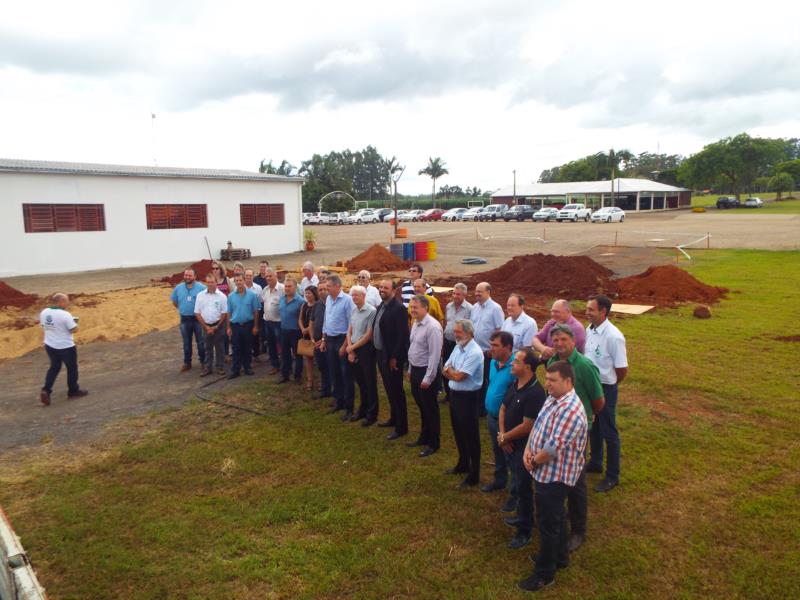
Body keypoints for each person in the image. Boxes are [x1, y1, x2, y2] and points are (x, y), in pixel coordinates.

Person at [519, 361, 588, 593]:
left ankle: (544, 574)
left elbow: (552, 448)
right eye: (546, 379)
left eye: (553, 380)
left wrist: (532, 460)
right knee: (556, 517)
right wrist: (528, 449)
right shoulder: (554, 397)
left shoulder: (570, 409)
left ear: (568, 382)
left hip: (554, 476)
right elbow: (537, 426)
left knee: (547, 524)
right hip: (543, 468)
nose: (547, 384)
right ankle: (560, 558)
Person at [547, 324, 605, 554]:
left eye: (563, 339)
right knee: (561, 472)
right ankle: (564, 513)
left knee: (577, 479)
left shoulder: (584, 366)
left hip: (579, 429)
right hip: (557, 425)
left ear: (573, 340)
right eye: (555, 340)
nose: (559, 344)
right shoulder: (553, 363)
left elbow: (599, 401)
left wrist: (587, 419)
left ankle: (579, 529)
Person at [499, 348, 546, 550]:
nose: (512, 364)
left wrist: (506, 437)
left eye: (516, 361)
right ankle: (521, 516)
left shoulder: (536, 392)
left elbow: (528, 425)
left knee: (525, 489)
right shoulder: (515, 383)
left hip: (523, 449)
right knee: (517, 483)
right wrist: (503, 436)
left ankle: (525, 530)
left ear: (527, 367)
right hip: (509, 444)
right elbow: (503, 408)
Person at [584, 295, 628, 493]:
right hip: (591, 386)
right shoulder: (589, 329)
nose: (587, 312)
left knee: (609, 431)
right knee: (593, 426)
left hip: (606, 388)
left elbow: (621, 370)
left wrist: (609, 385)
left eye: (591, 309)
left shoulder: (614, 336)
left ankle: (612, 475)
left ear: (603, 311)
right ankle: (595, 462)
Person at [442, 319, 484, 486]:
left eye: (458, 332)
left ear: (469, 333)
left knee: (471, 436)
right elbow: (445, 367)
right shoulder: (458, 347)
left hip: (468, 398)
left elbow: (460, 376)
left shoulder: (474, 352)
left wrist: (451, 373)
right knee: (458, 432)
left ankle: (474, 474)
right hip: (455, 396)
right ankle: (463, 464)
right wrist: (453, 373)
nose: (455, 334)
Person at [481, 331, 516, 505]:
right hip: (491, 417)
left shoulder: (516, 367)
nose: (491, 349)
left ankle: (515, 492)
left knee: (512, 455)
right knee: (497, 450)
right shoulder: (494, 362)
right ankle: (500, 480)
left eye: (496, 346)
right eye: (491, 344)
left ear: (508, 347)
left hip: (507, 421)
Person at [407, 295, 443, 457]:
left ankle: (434, 443)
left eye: (415, 307)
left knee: (430, 408)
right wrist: (409, 370)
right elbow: (413, 347)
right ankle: (424, 436)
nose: (412, 310)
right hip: (415, 369)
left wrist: (428, 378)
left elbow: (435, 356)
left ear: (425, 308)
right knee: (422, 406)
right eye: (411, 307)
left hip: (426, 372)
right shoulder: (415, 323)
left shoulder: (433, 327)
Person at [374, 279, 410, 440]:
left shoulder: (399, 309)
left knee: (396, 391)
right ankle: (393, 418)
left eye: (386, 288)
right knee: (389, 389)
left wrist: (394, 357)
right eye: (380, 287)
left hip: (392, 357)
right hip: (382, 354)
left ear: (394, 291)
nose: (382, 290)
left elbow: (402, 336)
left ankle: (401, 427)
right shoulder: (382, 306)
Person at [39, 293, 88, 405]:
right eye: (66, 301)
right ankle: (73, 390)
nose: (68, 303)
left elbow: (44, 326)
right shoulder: (65, 314)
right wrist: (75, 324)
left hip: (50, 344)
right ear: (61, 302)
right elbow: (74, 329)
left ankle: (46, 390)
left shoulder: (44, 312)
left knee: (54, 368)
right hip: (65, 346)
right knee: (72, 368)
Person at [320, 275, 356, 421]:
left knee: (346, 374)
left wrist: (345, 345)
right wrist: (323, 339)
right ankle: (338, 401)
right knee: (334, 372)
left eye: (328, 286)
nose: (326, 288)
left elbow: (351, 324)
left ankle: (349, 407)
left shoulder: (347, 300)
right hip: (330, 339)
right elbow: (326, 321)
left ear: (337, 286)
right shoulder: (329, 299)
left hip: (342, 339)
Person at [346, 285, 379, 426]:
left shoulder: (371, 311)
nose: (354, 298)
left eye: (357, 295)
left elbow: (368, 335)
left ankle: (372, 414)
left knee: (369, 382)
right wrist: (351, 349)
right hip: (354, 349)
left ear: (364, 296)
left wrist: (352, 347)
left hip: (365, 350)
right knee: (360, 381)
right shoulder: (354, 310)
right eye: (352, 295)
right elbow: (349, 330)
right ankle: (362, 410)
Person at [470, 282, 505, 410]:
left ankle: (483, 407)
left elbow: (499, 329)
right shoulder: (474, 307)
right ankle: (476, 403)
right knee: (476, 377)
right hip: (475, 351)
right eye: (476, 291)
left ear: (488, 292)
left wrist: (493, 348)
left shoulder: (496, 308)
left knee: (486, 379)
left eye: (480, 291)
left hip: (488, 352)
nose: (477, 294)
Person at [170, 268, 207, 372]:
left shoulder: (202, 288)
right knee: (186, 342)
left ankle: (204, 362)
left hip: (198, 319)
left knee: (200, 341)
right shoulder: (178, 288)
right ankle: (187, 362)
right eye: (186, 275)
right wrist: (182, 309)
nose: (187, 277)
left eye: (190, 275)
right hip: (185, 319)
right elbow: (174, 301)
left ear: (195, 277)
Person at [226, 274, 260, 379]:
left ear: (244, 281)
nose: (239, 282)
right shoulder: (231, 296)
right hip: (235, 326)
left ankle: (247, 367)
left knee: (247, 347)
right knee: (236, 348)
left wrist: (255, 326)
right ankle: (235, 369)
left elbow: (255, 312)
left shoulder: (252, 295)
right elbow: (229, 313)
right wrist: (228, 327)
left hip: (248, 325)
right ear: (235, 282)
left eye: (240, 280)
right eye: (236, 280)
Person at [442, 283, 472, 404]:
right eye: (453, 293)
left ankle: (457, 393)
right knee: (446, 366)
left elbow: (470, 328)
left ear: (464, 294)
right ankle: (448, 395)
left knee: (457, 368)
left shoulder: (470, 309)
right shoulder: (449, 306)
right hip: (447, 341)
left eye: (458, 294)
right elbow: (446, 322)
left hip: (459, 344)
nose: (455, 296)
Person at [194, 273, 229, 376]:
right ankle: (207, 367)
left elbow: (224, 313)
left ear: (216, 283)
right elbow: (197, 312)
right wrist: (206, 327)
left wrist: (217, 326)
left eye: (212, 282)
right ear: (206, 283)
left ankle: (220, 367)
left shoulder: (222, 296)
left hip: (219, 325)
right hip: (205, 326)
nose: (210, 284)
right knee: (207, 347)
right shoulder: (200, 296)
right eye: (208, 282)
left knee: (220, 347)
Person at [278, 277, 304, 384]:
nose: (287, 288)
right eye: (286, 286)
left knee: (297, 355)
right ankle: (285, 375)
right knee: (285, 354)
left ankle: (297, 376)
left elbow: (302, 318)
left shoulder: (301, 301)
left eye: (290, 286)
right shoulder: (282, 299)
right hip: (284, 330)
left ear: (295, 287)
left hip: (296, 332)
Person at [309, 281, 331, 399]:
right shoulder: (317, 305)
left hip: (327, 341)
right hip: (316, 341)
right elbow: (312, 322)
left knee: (330, 366)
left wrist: (324, 340)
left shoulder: (332, 303)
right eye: (320, 289)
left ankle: (333, 389)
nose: (322, 291)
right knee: (321, 366)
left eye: (324, 289)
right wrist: (312, 337)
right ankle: (325, 389)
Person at [261, 267, 285, 375]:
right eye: (267, 276)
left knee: (282, 345)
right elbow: (263, 303)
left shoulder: (282, 289)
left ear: (275, 276)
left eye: (270, 276)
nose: (268, 278)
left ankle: (285, 366)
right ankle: (275, 365)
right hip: (267, 322)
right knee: (271, 345)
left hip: (278, 322)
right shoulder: (265, 289)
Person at [299, 285, 319, 391]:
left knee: (319, 359)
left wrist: (307, 329)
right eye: (306, 293)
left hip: (315, 334)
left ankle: (320, 381)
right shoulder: (304, 305)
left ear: (314, 294)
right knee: (308, 358)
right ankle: (309, 380)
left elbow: (316, 321)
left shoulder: (318, 305)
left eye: (309, 293)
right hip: (306, 335)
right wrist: (302, 328)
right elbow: (300, 319)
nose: (307, 295)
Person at [244, 268, 264, 361]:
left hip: (255, 315)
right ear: (244, 276)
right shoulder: (240, 287)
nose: (248, 277)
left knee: (255, 335)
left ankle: (256, 354)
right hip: (244, 316)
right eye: (247, 275)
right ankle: (247, 354)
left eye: (250, 275)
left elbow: (260, 301)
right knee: (245, 336)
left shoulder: (258, 288)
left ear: (253, 276)